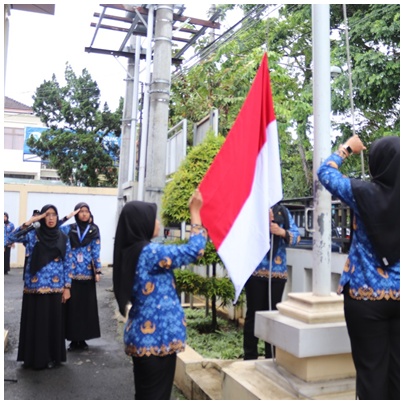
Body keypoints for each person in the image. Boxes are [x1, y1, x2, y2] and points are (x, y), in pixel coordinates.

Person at [317, 135, 399, 400]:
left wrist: (346, 149)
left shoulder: (361, 192)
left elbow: (325, 173)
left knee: (371, 373)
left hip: (364, 297)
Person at [113, 189, 207, 400]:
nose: (157, 222)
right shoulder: (149, 253)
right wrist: (195, 212)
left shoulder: (132, 250)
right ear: (141, 223)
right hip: (157, 341)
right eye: (153, 218)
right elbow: (194, 251)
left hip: (144, 339)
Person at [8, 204, 72, 370]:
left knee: (51, 323)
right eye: (47, 215)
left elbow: (68, 262)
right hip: (34, 287)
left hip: (55, 287)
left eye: (53, 215)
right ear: (42, 217)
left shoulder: (63, 237)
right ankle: (32, 357)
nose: (50, 218)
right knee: (35, 323)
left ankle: (51, 357)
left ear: (57, 217)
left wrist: (67, 287)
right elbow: (9, 238)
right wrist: (30, 222)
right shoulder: (32, 234)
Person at [243, 203, 300, 360]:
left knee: (273, 316)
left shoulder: (283, 212)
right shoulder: (253, 209)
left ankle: (272, 356)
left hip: (277, 274)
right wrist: (262, 222)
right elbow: (243, 234)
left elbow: (296, 237)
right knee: (253, 314)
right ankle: (250, 356)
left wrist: (281, 232)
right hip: (255, 272)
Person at [60, 202, 102, 351]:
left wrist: (97, 271)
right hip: (71, 274)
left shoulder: (93, 230)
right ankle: (73, 339)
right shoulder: (69, 228)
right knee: (72, 308)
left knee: (85, 308)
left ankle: (83, 339)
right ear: (76, 213)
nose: (84, 214)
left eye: (86, 211)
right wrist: (67, 217)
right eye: (81, 211)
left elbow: (96, 250)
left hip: (87, 274)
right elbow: (54, 228)